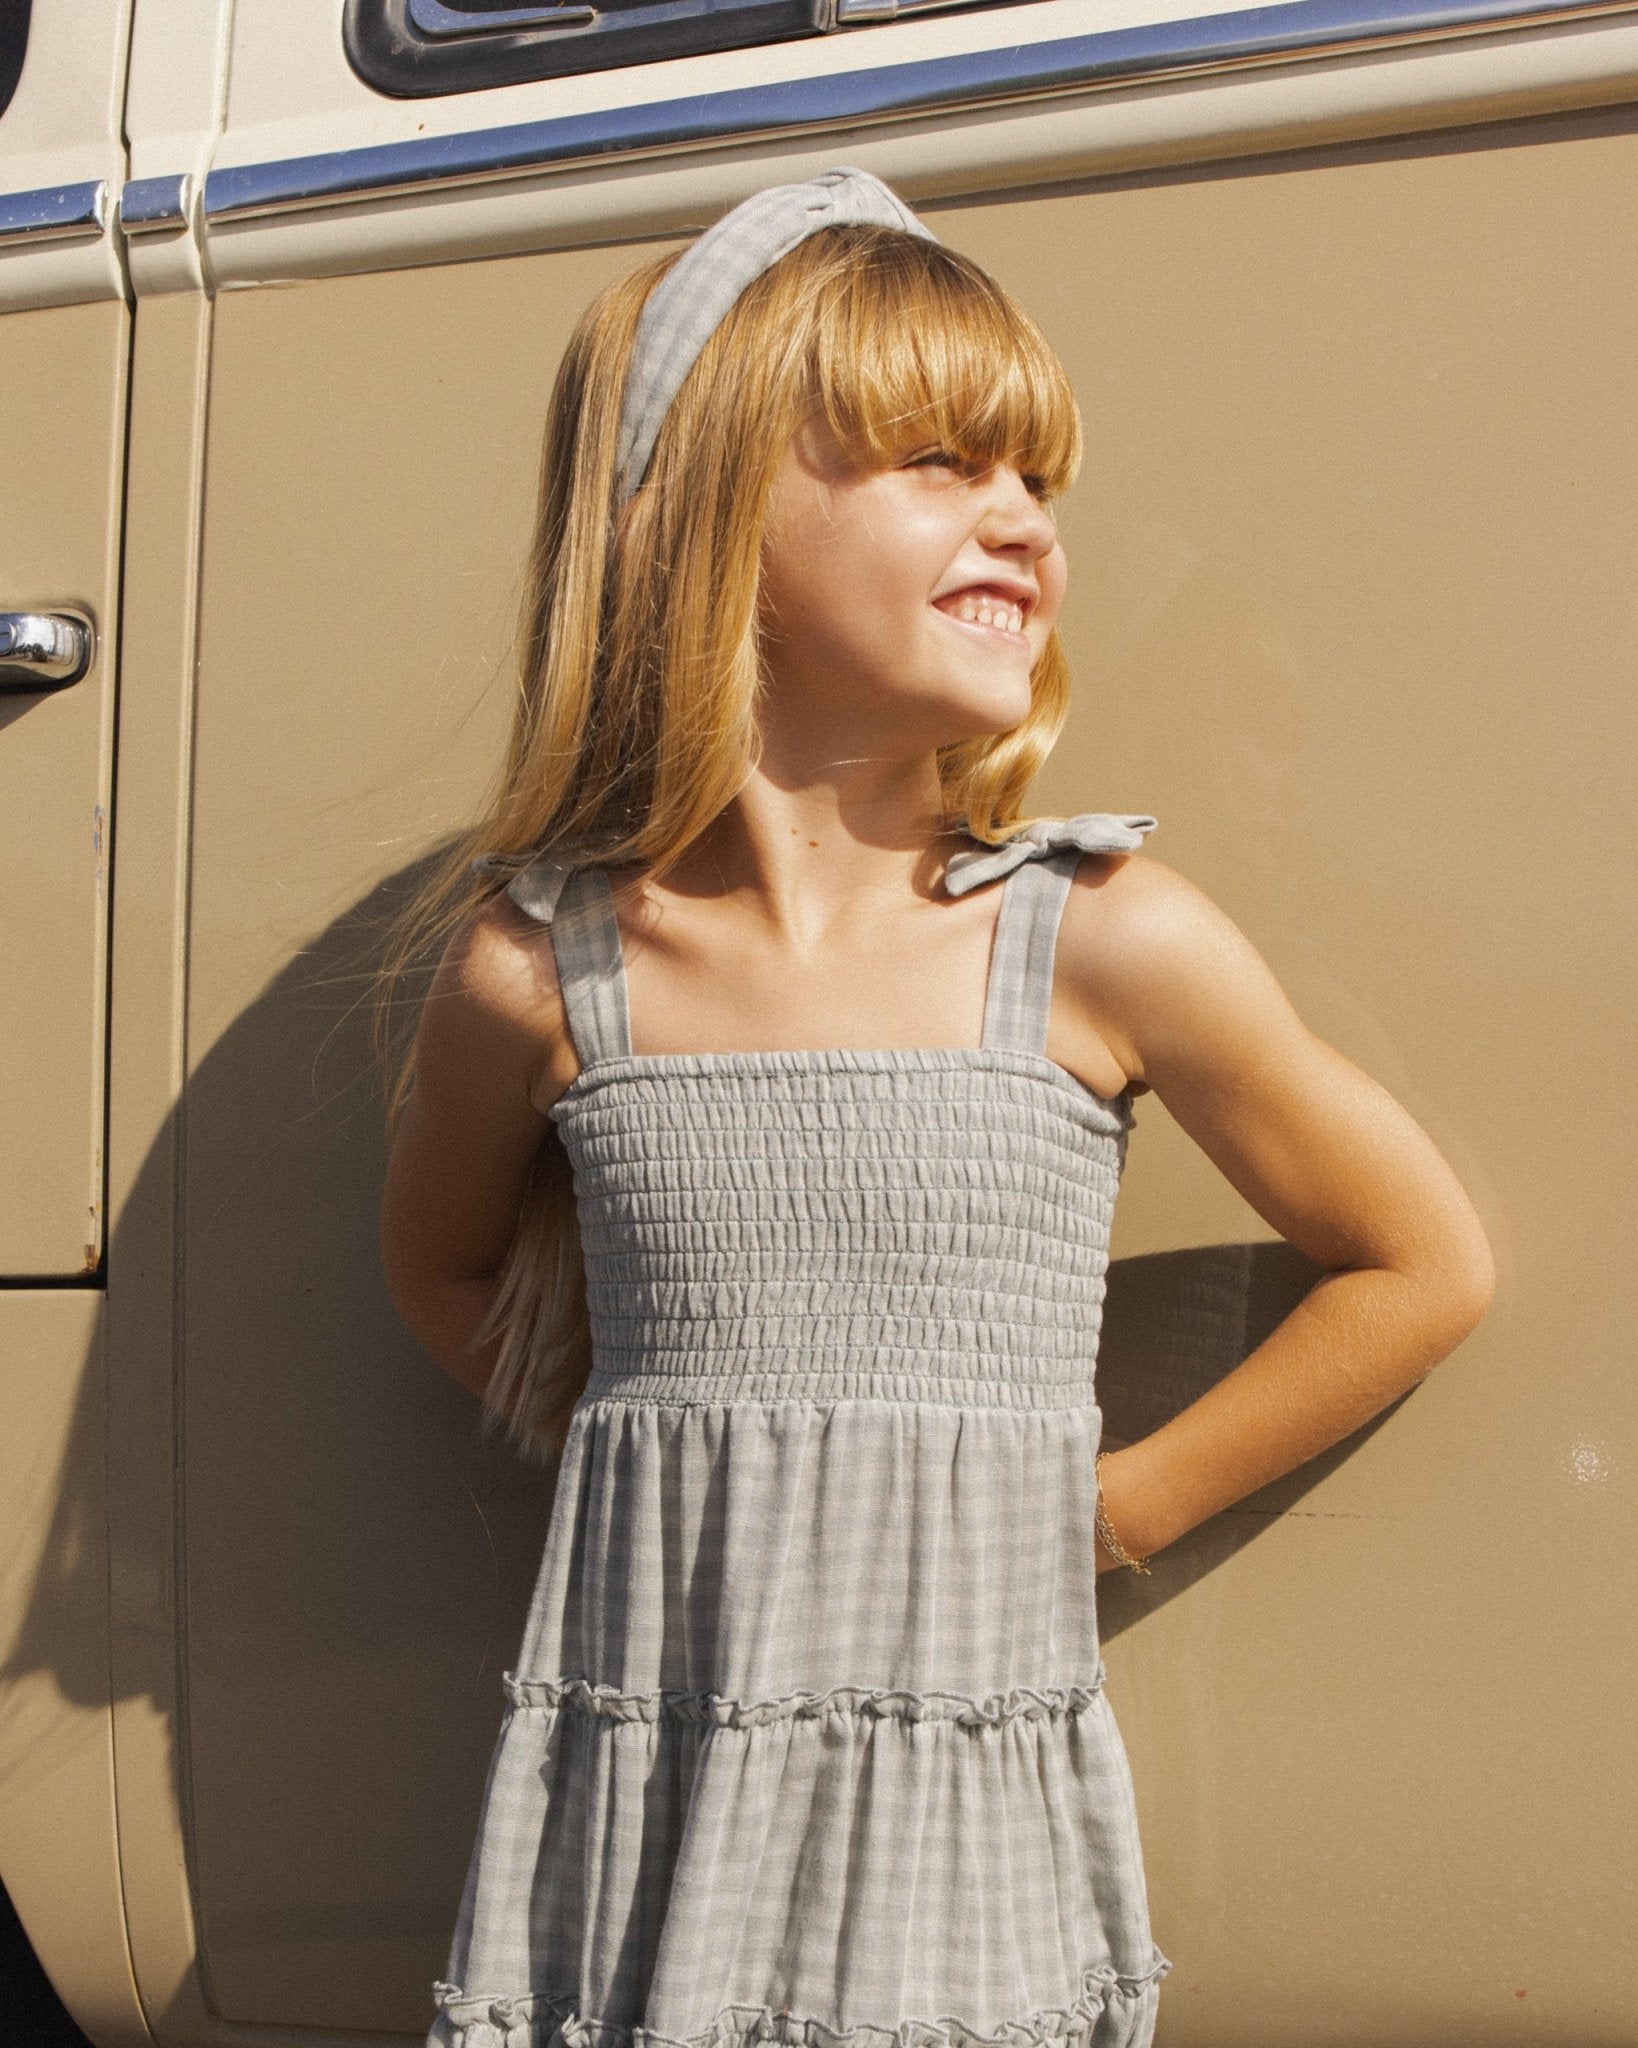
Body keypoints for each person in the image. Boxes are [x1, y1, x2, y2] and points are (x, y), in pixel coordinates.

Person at [379, 168, 1494, 2048]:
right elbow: (437, 1265)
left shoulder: (1096, 938)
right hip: (657, 1778)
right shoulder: (541, 969)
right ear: (701, 517)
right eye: (937, 462)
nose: (1022, 521)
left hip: (953, 1786)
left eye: (1036, 479)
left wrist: (1109, 1512)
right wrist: (675, 1477)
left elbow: (1417, 1262)